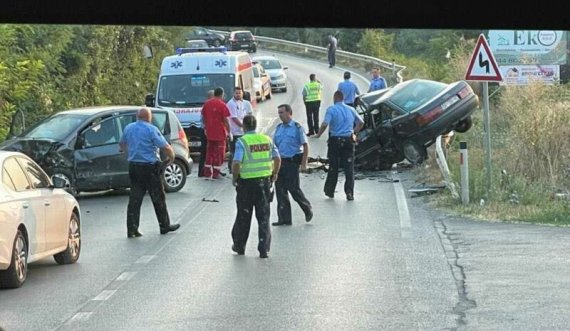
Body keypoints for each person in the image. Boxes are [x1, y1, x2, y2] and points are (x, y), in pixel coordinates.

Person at [119, 107, 180, 238]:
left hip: (134, 166)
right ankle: (164, 225)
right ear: (149, 117)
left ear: (137, 116)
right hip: (150, 167)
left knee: (135, 198)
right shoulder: (151, 129)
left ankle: (132, 229)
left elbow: (122, 144)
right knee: (158, 197)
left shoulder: (128, 128)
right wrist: (171, 158)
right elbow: (165, 146)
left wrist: (130, 154)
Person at [231, 114, 281, 258]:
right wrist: (275, 173)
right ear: (256, 125)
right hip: (264, 184)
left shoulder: (242, 141)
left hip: (246, 185)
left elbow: (236, 163)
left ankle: (240, 246)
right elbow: (277, 158)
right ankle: (263, 248)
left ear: (244, 126)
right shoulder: (267, 140)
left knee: (243, 216)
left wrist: (235, 178)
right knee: (264, 216)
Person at [314, 90, 364, 201]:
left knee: (333, 167)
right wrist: (353, 132)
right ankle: (349, 193)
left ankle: (330, 191)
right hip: (348, 141)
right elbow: (361, 122)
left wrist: (318, 135)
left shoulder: (331, 109)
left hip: (335, 141)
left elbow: (325, 123)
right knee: (349, 168)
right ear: (343, 98)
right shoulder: (351, 109)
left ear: (335, 98)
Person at [272, 104, 313, 226]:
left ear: (289, 113)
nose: (280, 115)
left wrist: (303, 163)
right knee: (280, 191)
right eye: (279, 113)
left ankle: (307, 209)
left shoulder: (297, 127)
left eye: (282, 112)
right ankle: (284, 219)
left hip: (292, 161)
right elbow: (274, 146)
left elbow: (305, 145)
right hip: (280, 162)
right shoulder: (278, 128)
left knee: (294, 189)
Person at [201, 87, 231, 179]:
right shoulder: (222, 105)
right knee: (219, 154)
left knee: (209, 153)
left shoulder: (206, 104)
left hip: (209, 133)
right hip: (220, 134)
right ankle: (216, 173)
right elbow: (226, 120)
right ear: (222, 94)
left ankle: (207, 172)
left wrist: (206, 128)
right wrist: (229, 132)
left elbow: (203, 117)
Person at [226, 86, 253, 174]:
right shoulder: (231, 103)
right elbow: (234, 118)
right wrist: (243, 126)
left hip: (245, 132)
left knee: (244, 150)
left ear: (242, 93)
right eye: (236, 93)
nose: (238, 94)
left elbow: (250, 114)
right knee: (234, 151)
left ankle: (243, 166)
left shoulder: (246, 103)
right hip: (235, 132)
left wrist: (250, 126)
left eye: (240, 93)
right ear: (233, 93)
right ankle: (232, 168)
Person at [198, 89, 215, 177]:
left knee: (210, 151)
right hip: (205, 130)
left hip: (207, 130)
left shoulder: (208, 105)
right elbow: (203, 119)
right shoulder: (206, 106)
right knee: (205, 151)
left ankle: (212, 170)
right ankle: (202, 171)